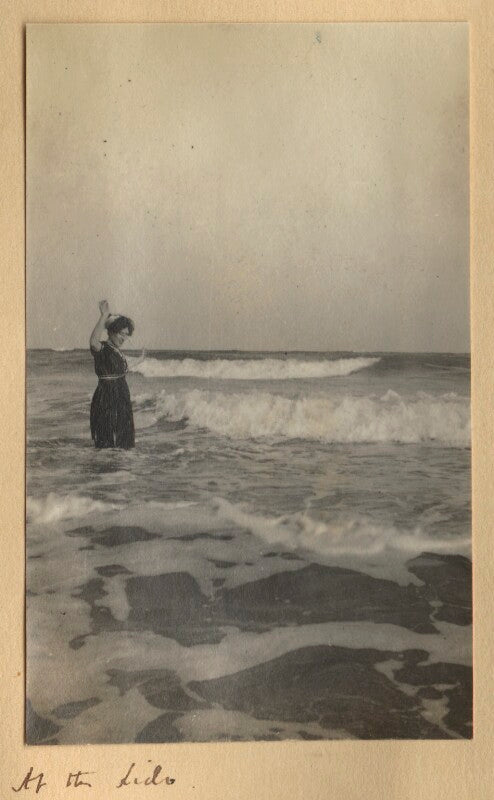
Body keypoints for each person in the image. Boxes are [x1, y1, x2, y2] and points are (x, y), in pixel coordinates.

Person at [89, 300, 136, 449]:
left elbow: (121, 371)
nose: (124, 338)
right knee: (105, 440)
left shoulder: (117, 352)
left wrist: (141, 359)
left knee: (125, 440)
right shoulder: (102, 348)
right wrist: (103, 316)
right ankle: (106, 470)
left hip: (121, 396)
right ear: (111, 332)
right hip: (106, 396)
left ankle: (120, 471)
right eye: (122, 334)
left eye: (126, 335)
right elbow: (93, 341)